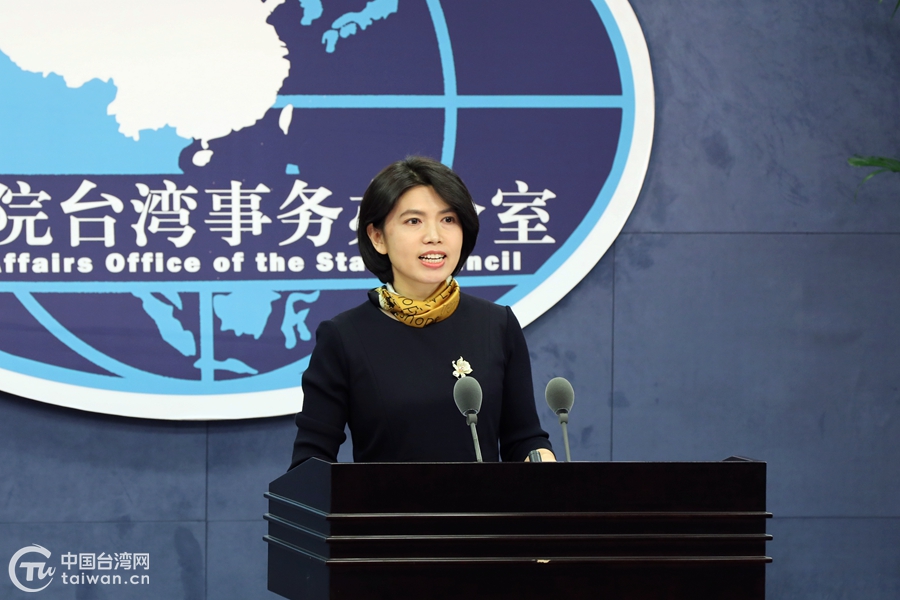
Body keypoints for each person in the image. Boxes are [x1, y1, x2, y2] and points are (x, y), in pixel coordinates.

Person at [289, 156, 554, 468]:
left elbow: (523, 438)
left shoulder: (497, 325)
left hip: (484, 501)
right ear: (377, 237)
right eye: (414, 221)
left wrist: (542, 461)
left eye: (448, 219)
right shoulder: (344, 337)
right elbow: (310, 461)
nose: (434, 236)